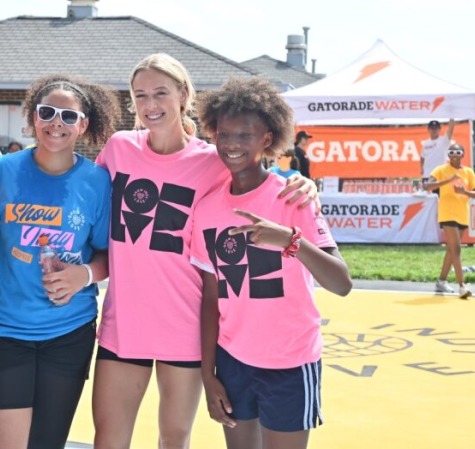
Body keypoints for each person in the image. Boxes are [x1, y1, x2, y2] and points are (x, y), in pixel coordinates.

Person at [92, 54, 317, 449]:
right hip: (123, 320)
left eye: (160, 93)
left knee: (174, 437)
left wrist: (301, 181)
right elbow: (85, 196)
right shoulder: (118, 148)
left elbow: (261, 180)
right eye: (140, 95)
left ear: (183, 95)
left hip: (185, 324)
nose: (150, 104)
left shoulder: (212, 160)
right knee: (109, 439)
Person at [191, 76, 351, 449]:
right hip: (232, 362)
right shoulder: (207, 210)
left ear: (267, 139)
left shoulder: (293, 197)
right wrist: (207, 373)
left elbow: (341, 283)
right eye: (224, 134)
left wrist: (291, 241)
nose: (232, 144)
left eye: (245, 135)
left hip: (291, 361)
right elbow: (211, 298)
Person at [0, 74, 120, 449]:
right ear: (33, 117)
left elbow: (107, 255)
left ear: (83, 124)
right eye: (47, 112)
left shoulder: (98, 181)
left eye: (69, 116)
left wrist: (82, 275)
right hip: (3, 333)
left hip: (69, 335)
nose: (57, 122)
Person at [424, 142, 475, 299]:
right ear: (448, 155)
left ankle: (441, 281)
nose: (455, 155)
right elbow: (427, 186)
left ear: (463, 155)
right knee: (456, 249)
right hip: (447, 214)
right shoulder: (441, 170)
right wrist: (447, 181)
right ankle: (462, 286)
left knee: (451, 250)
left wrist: (464, 191)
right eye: (452, 152)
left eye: (458, 152)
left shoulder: (468, 172)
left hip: (462, 214)